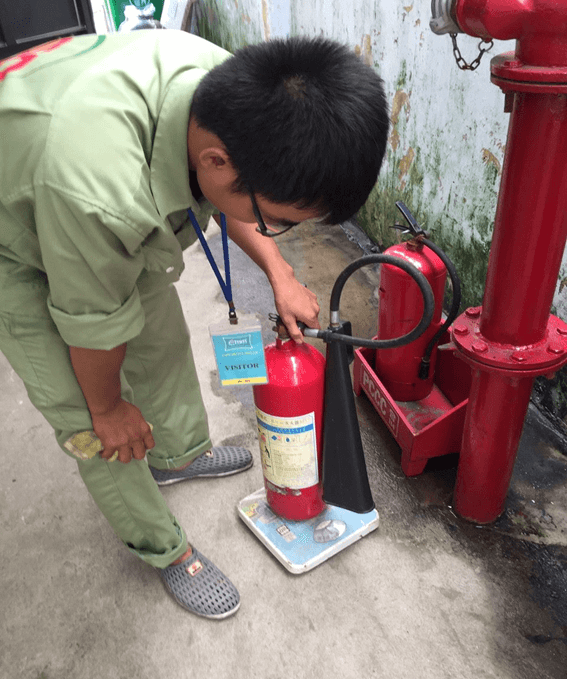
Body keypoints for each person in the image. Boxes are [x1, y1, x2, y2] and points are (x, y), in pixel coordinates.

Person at [0, 29, 389, 619]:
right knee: (93, 422)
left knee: (158, 337)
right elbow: (92, 322)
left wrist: (279, 270)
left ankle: (176, 456)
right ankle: (164, 548)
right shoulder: (100, 190)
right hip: (16, 234)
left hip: (70, 171)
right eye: (278, 221)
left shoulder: (228, 91)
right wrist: (108, 407)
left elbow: (230, 200)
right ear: (214, 161)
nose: (278, 231)